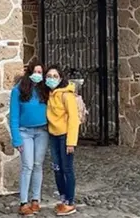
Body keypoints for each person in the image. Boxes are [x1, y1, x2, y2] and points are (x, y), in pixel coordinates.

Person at [10, 60, 50, 216]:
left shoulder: (45, 90)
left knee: (38, 164)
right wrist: (16, 138)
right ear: (30, 72)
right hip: (25, 132)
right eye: (36, 72)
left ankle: (36, 199)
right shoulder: (18, 90)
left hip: (42, 132)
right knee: (27, 166)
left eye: (41, 73)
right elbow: (13, 115)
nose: (38, 75)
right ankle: (23, 202)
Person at [45, 65, 80, 216]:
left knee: (67, 168)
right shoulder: (50, 95)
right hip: (53, 135)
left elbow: (74, 118)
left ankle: (70, 202)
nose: (51, 79)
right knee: (57, 169)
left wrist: (71, 141)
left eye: (55, 76)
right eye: (49, 76)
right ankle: (63, 199)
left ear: (60, 78)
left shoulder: (67, 95)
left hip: (65, 136)